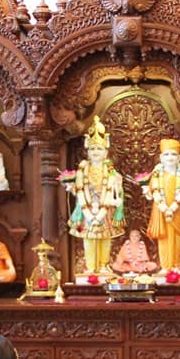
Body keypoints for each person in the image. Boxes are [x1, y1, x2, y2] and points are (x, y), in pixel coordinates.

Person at [65, 116, 125, 275]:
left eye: (99, 149)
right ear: (88, 152)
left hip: (106, 208)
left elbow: (116, 191)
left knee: (105, 239)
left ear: (105, 152)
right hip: (87, 208)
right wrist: (72, 189)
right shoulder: (83, 169)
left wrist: (117, 185)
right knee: (89, 240)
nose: (95, 152)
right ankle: (91, 267)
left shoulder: (110, 170)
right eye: (92, 149)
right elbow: (79, 189)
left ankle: (104, 265)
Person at [141, 138, 180, 275]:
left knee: (176, 237)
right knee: (163, 238)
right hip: (161, 210)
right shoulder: (156, 174)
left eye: (173, 154)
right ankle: (165, 267)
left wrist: (173, 208)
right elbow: (155, 192)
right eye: (166, 154)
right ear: (161, 157)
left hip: (177, 210)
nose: (170, 157)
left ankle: (175, 266)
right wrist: (165, 208)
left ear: (179, 158)